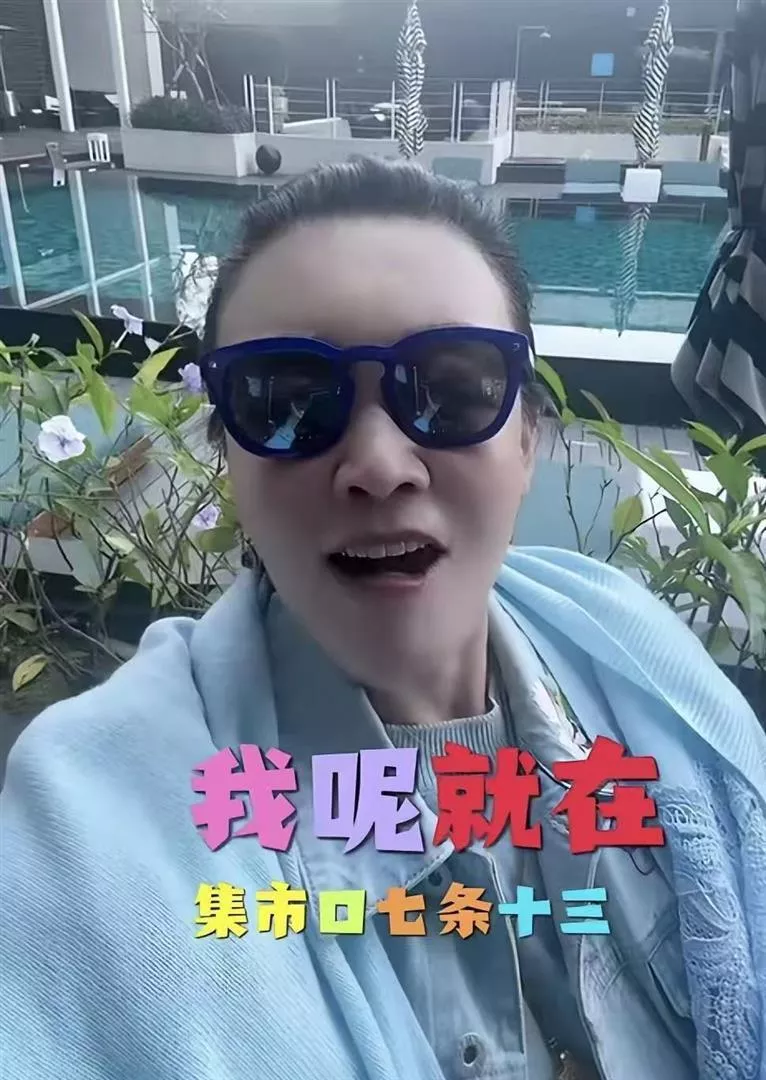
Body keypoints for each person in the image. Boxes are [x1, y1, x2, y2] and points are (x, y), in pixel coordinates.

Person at [1, 159, 764, 1080]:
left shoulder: (632, 657)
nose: (378, 465)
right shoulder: (88, 827)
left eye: (454, 388)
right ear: (227, 456)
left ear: (528, 437)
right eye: (287, 402)